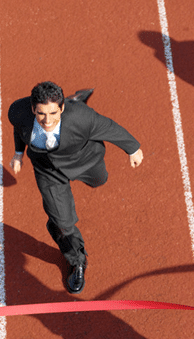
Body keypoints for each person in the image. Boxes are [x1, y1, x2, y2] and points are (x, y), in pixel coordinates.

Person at [9, 81, 143, 294]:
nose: (47, 120)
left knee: (100, 181)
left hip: (84, 160)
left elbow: (109, 127)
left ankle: (74, 101)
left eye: (54, 112)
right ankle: (77, 260)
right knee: (61, 222)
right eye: (41, 113)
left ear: (61, 109)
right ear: (33, 108)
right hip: (47, 171)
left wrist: (133, 148)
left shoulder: (82, 118)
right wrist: (18, 153)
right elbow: (20, 129)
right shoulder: (18, 111)